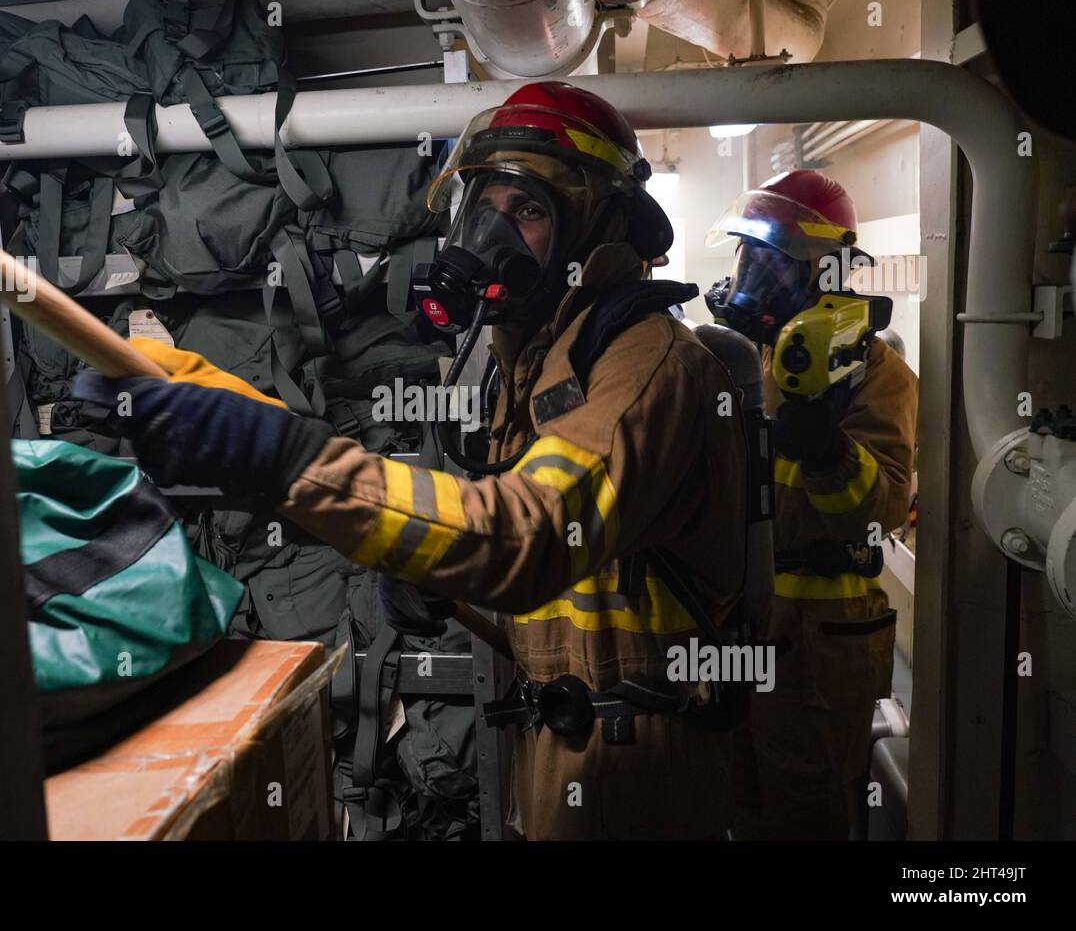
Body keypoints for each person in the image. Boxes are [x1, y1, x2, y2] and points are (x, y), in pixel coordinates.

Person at [78, 82, 749, 839]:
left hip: (642, 771)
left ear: (601, 228)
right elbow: (590, 590)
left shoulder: (645, 360)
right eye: (485, 209)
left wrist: (279, 456)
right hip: (572, 745)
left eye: (528, 211)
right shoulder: (536, 357)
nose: (493, 235)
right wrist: (454, 593)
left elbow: (534, 538)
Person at [705, 169, 918, 839]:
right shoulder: (729, 361)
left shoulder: (876, 373)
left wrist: (829, 452)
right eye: (747, 257)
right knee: (725, 799)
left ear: (824, 272)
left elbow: (879, 515)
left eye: (772, 261)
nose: (753, 276)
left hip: (819, 639)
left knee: (806, 811)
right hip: (729, 623)